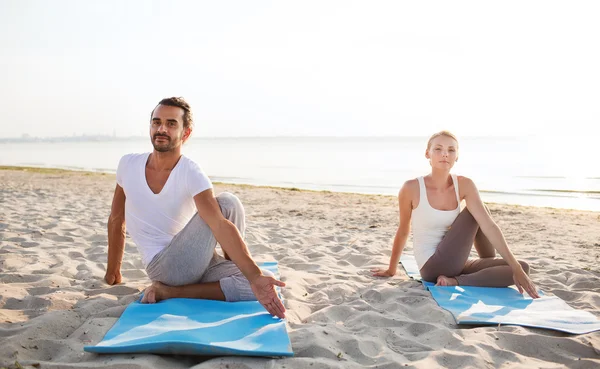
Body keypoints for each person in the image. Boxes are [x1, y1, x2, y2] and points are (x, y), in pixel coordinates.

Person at [104, 97, 286, 318]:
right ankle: (173, 288)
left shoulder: (190, 171)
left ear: (185, 133)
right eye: (156, 122)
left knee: (229, 204)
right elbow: (116, 220)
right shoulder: (128, 164)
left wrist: (256, 277)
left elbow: (219, 224)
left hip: (196, 259)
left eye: (171, 123)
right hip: (165, 267)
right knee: (225, 209)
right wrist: (112, 272)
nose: (161, 129)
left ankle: (173, 292)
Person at [372, 131, 539, 298]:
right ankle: (458, 280)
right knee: (476, 212)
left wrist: (515, 267)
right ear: (427, 154)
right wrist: (391, 269)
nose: (445, 154)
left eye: (451, 150)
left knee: (522, 267)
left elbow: (489, 226)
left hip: (455, 261)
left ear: (457, 156)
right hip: (431, 266)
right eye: (438, 149)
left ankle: (465, 275)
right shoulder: (411, 188)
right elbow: (403, 230)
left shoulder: (464, 184)